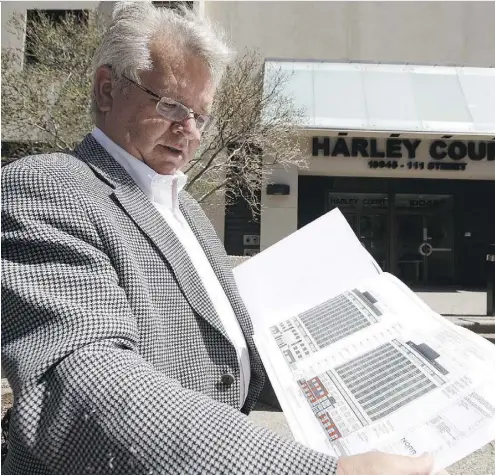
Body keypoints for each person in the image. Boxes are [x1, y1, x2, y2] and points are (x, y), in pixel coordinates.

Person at [1, 3, 437, 474]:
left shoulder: (186, 210)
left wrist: (375, 366)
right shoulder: (47, 186)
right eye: (170, 104)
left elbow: (226, 356)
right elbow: (85, 377)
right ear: (107, 90)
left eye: (200, 116)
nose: (188, 129)